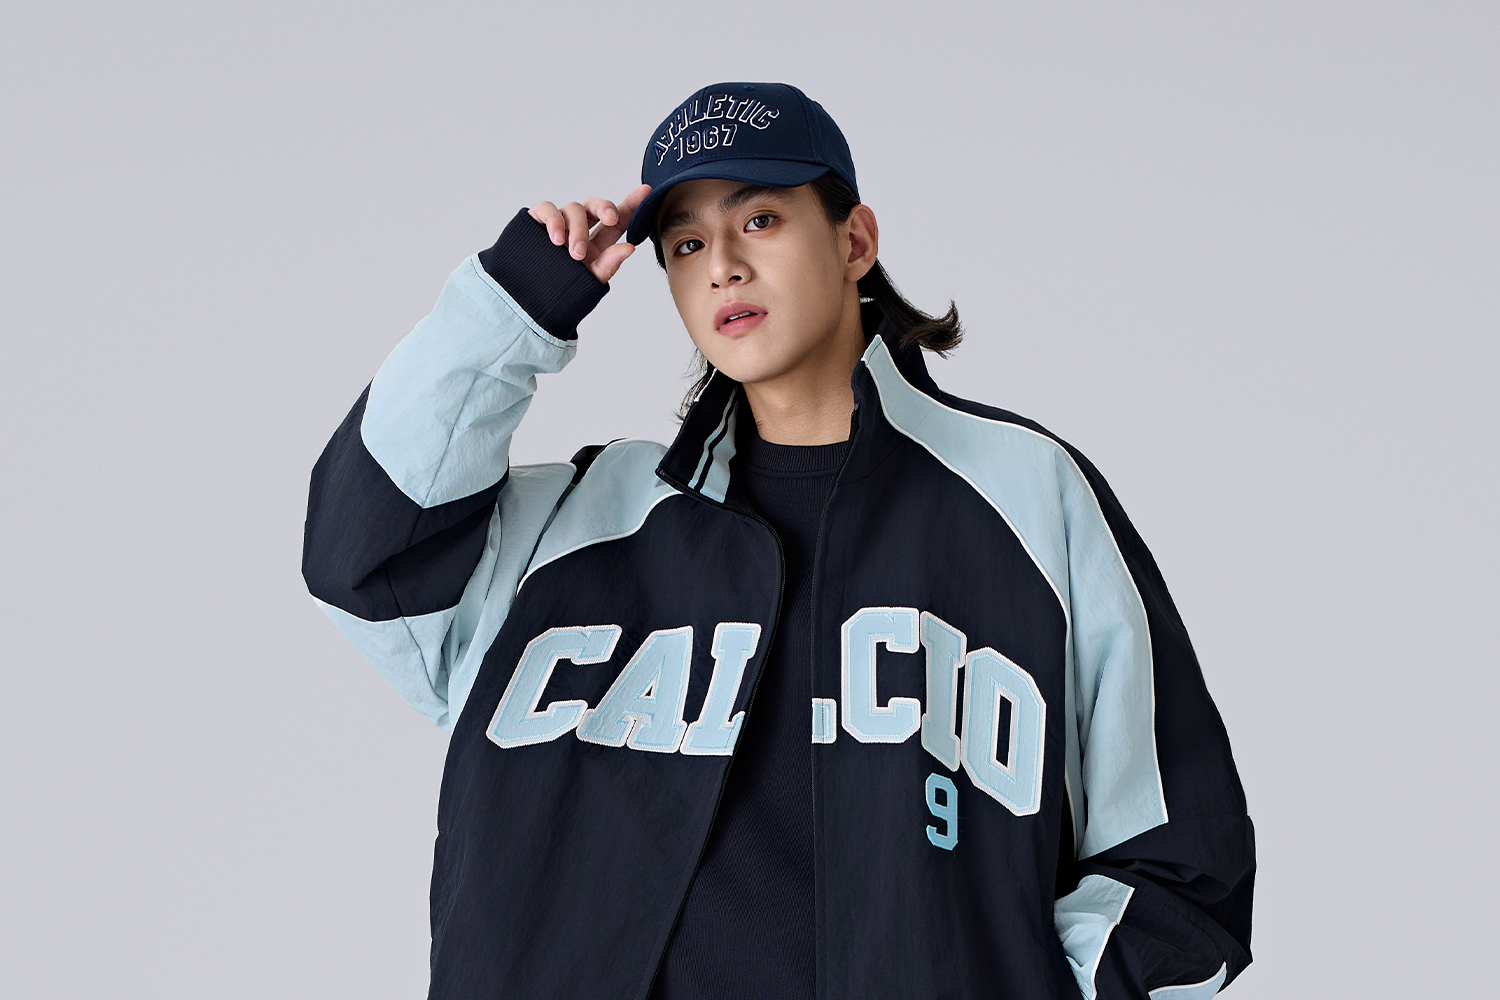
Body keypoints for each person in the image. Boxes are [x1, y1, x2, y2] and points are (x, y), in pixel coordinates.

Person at [302, 81, 1254, 1000]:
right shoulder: (584, 524)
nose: (721, 264)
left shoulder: (1027, 497)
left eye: (759, 220)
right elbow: (369, 558)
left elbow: (1182, 862)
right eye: (685, 242)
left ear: (854, 240)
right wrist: (508, 311)